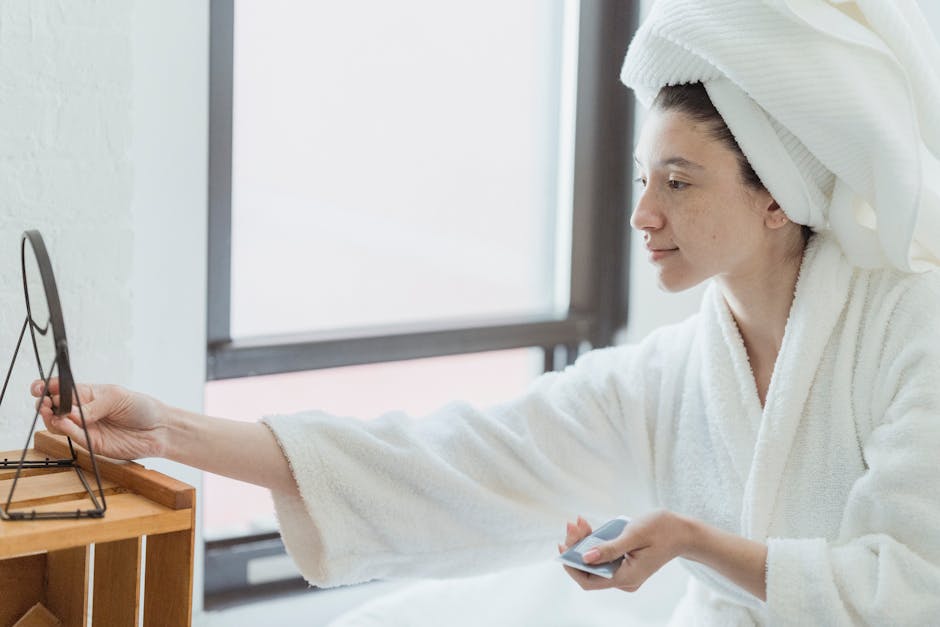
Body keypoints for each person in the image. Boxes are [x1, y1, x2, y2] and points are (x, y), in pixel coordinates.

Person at [30, 1, 940, 624]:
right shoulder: (677, 370)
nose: (641, 215)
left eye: (678, 181)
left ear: (777, 194)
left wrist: (701, 543)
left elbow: (911, 586)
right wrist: (168, 432)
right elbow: (451, 457)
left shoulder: (911, 327)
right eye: (639, 180)